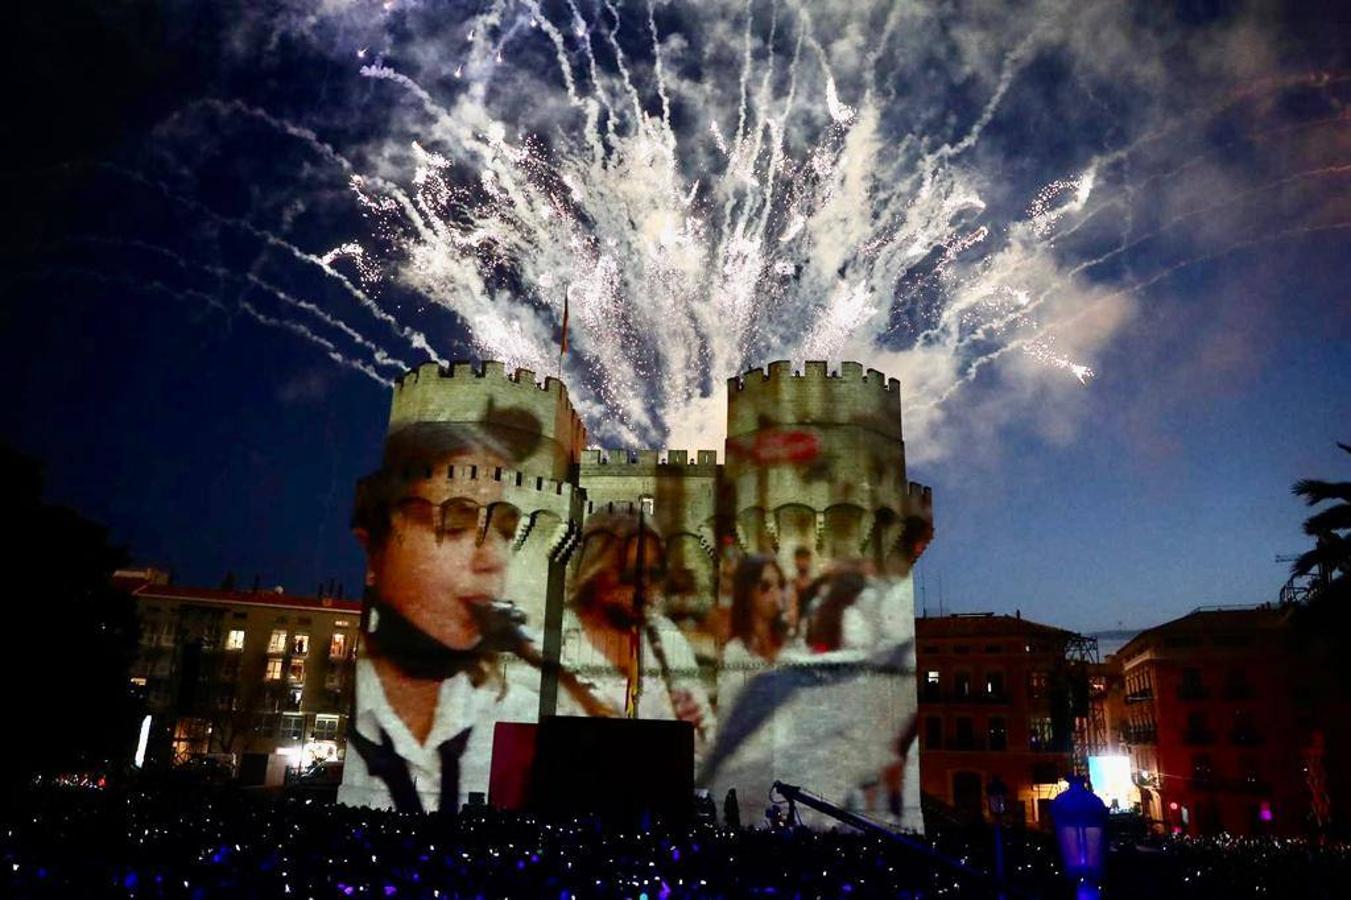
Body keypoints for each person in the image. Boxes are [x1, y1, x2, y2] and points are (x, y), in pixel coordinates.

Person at [338, 420, 541, 814]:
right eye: (452, 525)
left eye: (505, 531)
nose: (491, 561)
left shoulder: (515, 706)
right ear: (374, 553)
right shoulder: (364, 710)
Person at [557, 512, 713, 751]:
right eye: (631, 575)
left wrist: (692, 733)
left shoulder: (665, 636)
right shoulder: (556, 645)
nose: (645, 588)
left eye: (654, 574)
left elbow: (708, 746)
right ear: (594, 570)